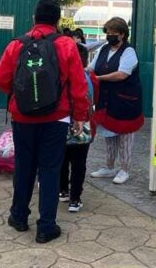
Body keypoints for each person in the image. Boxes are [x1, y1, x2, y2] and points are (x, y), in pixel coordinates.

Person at [0, 0, 89, 244]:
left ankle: (18, 216)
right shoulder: (67, 45)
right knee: (50, 169)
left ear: (34, 19)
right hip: (56, 118)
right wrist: (80, 116)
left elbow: (1, 79)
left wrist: (19, 95)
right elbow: (79, 86)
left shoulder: (16, 44)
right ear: (58, 21)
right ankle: (46, 226)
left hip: (23, 117)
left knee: (24, 167)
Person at [88, 16, 144, 185]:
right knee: (108, 135)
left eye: (113, 33)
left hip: (126, 102)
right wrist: (84, 72)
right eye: (108, 32)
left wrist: (98, 78)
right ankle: (109, 167)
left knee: (125, 136)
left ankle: (125, 169)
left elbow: (122, 74)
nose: (109, 36)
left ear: (122, 34)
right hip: (107, 101)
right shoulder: (104, 49)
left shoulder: (129, 52)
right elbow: (91, 67)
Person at [60, 43, 98, 213]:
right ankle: (75, 199)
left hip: (62, 123)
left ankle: (62, 190)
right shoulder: (89, 78)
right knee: (79, 162)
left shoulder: (61, 77)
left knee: (62, 159)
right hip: (84, 124)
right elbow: (93, 100)